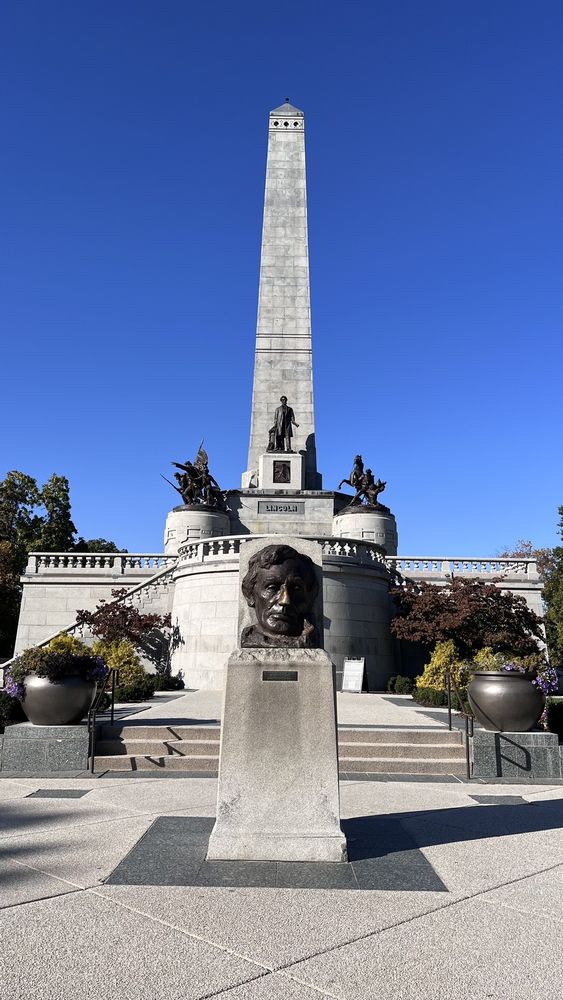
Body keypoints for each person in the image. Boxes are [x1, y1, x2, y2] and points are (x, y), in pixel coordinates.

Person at [241, 544, 319, 648]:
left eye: (296, 589)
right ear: (249, 594)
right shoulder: (250, 637)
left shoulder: (310, 639)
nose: (285, 600)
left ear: (310, 595)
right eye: (272, 588)